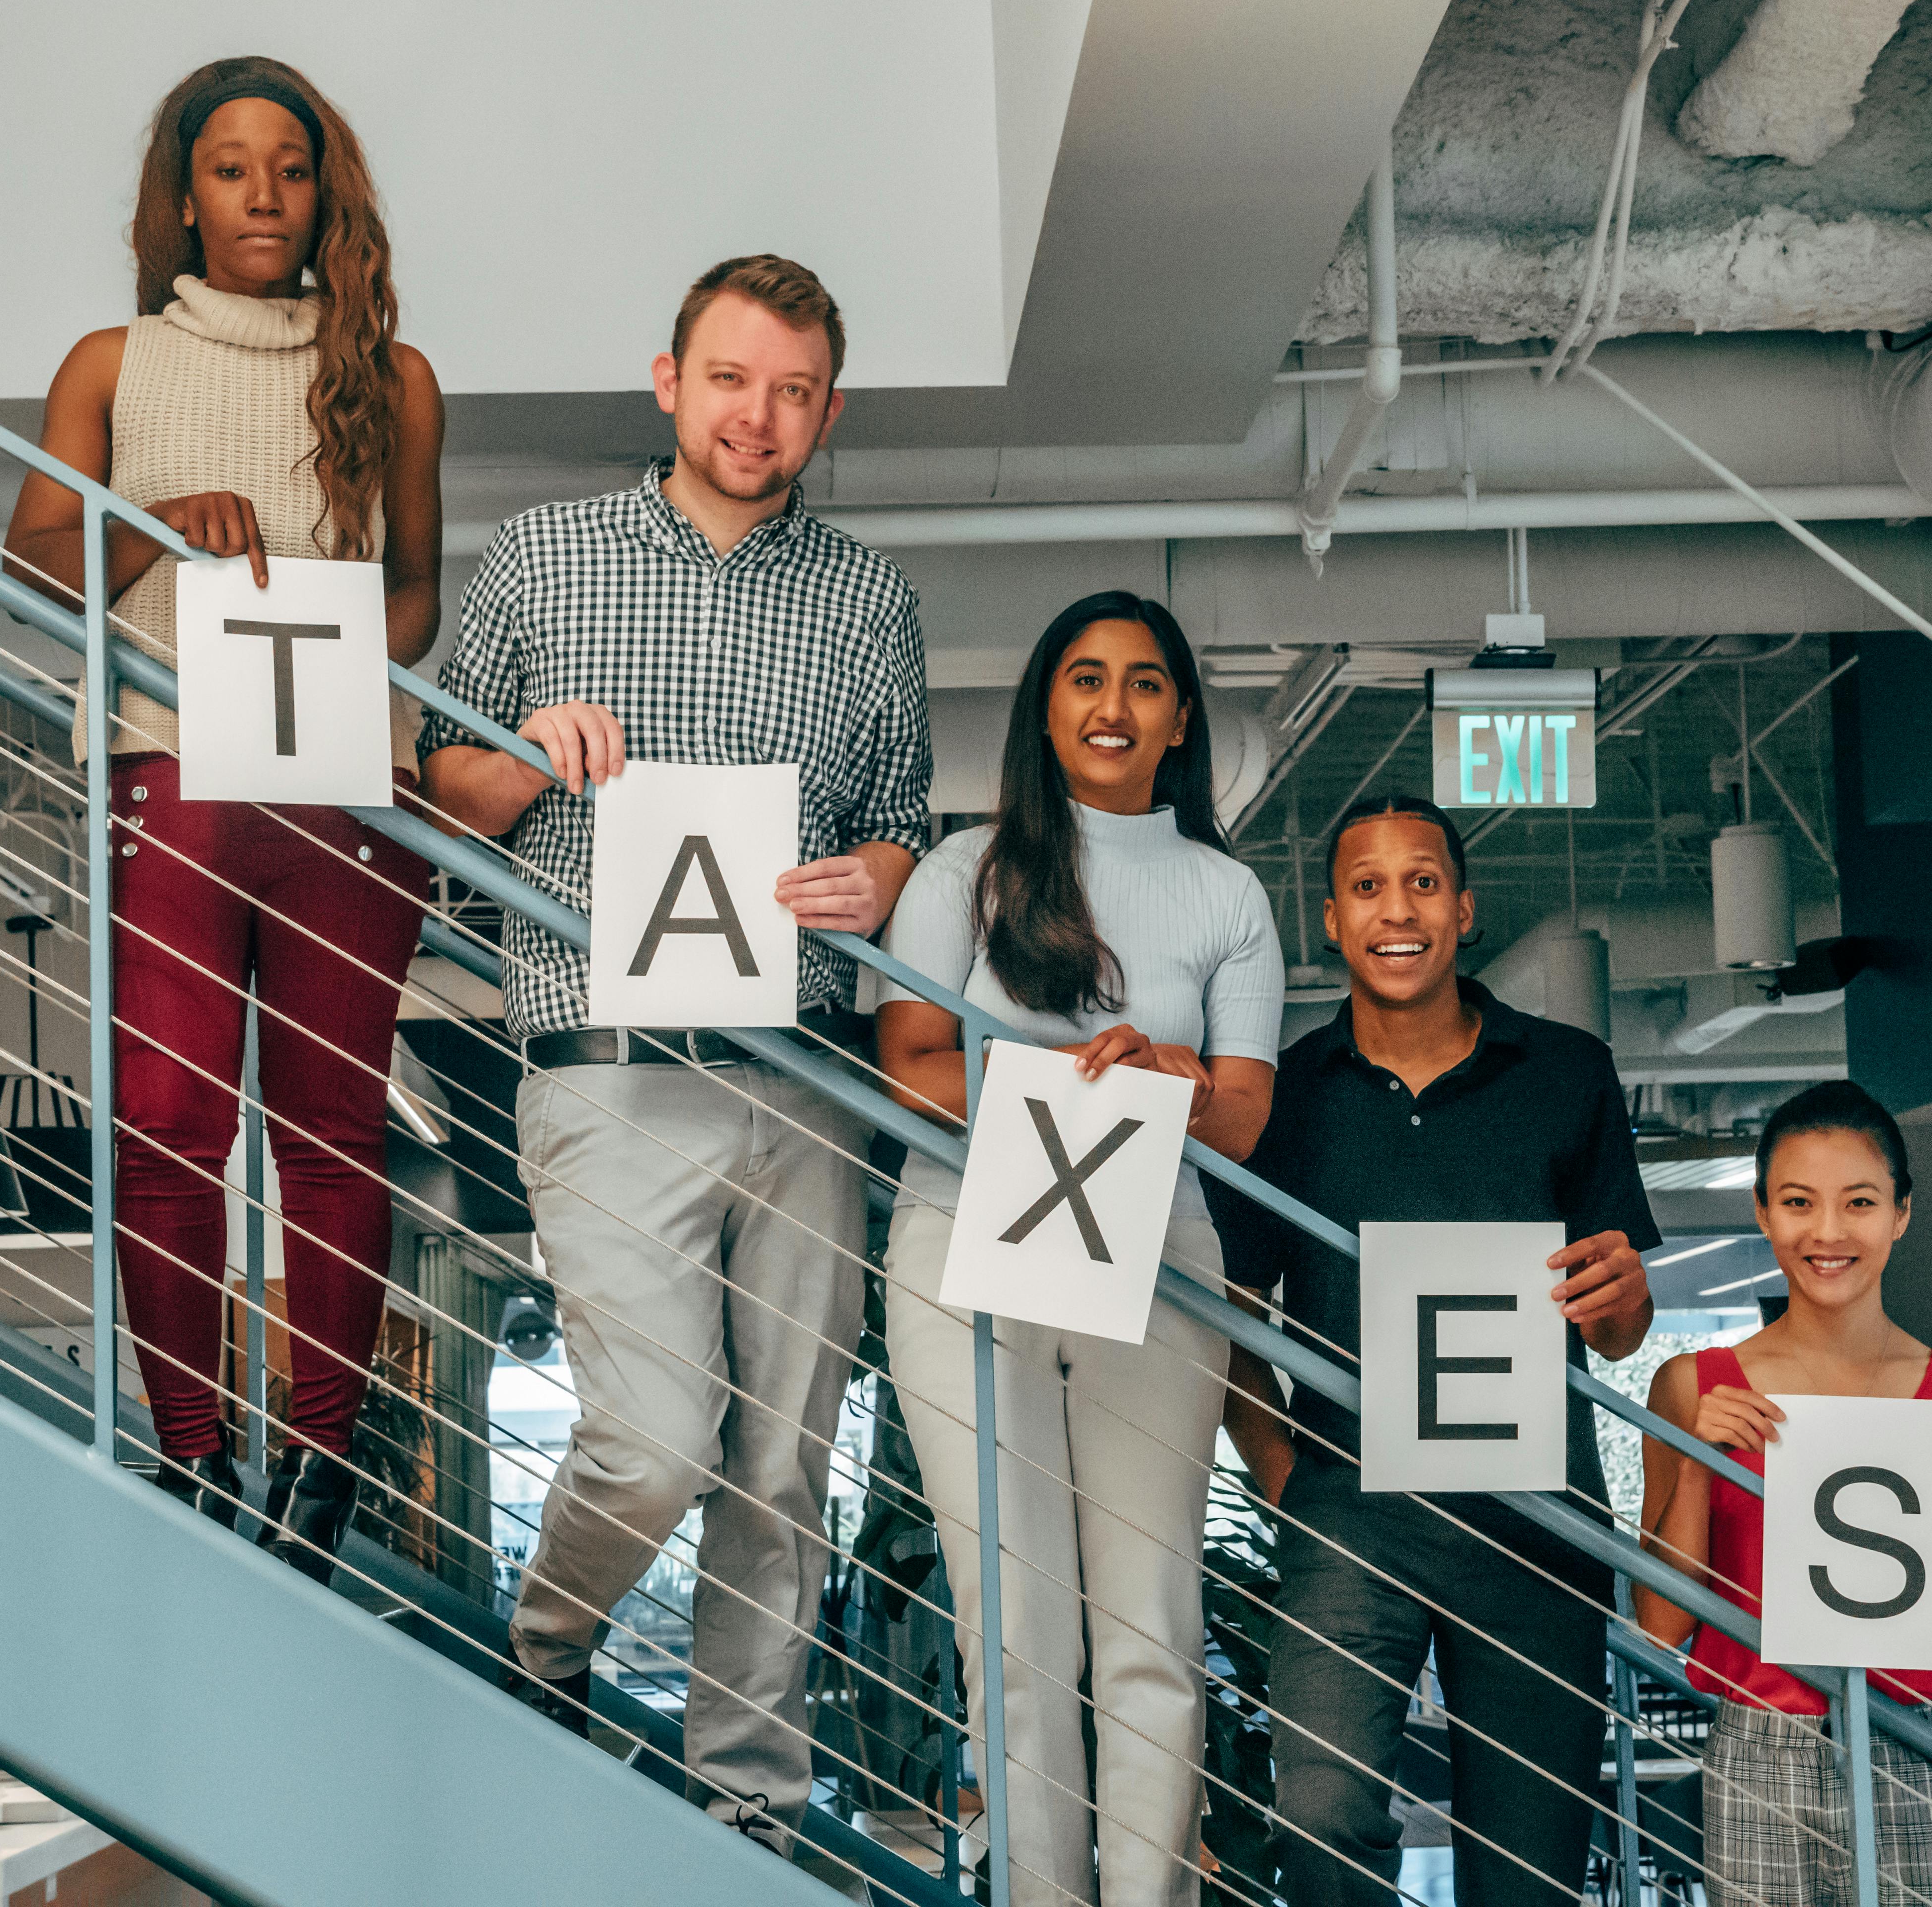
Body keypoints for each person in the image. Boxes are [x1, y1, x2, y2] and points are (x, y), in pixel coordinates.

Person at [419, 254, 929, 1850]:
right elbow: (436, 796)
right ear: (667, 379)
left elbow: (902, 822)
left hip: (803, 1075)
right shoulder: (546, 557)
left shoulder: (870, 598)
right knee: (651, 1438)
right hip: (607, 1060)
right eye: (731, 378)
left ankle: (750, 1812)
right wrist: (521, 758)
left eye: (792, 392)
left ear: (827, 411)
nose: (757, 415)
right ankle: (550, 1646)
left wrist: (888, 877)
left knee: (780, 1465)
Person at [4, 56, 445, 1580]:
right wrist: (150, 532)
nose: (265, 195)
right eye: (232, 169)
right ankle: (195, 1457)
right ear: (183, 196)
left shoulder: (393, 375)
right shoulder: (112, 363)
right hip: (170, 767)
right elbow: (34, 563)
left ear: (329, 193)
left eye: (292, 168)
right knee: (172, 1122)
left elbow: (416, 597)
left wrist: (331, 653)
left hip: (340, 787)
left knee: (330, 1131)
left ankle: (316, 1473)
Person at [878, 591, 1284, 1907]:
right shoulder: (962, 871)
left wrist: (1164, 1070)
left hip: (1156, 1247)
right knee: (1017, 1623)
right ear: (1046, 707)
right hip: (965, 1241)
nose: (1114, 707)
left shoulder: (1226, 891)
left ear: (1181, 720)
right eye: (1087, 679)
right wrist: (1055, 1074)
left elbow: (1243, 1114)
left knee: (1151, 1627)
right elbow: (908, 1074)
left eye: (1147, 684)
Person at [1212, 796, 1658, 1906]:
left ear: (1463, 911)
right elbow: (1225, 1313)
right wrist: (1286, 1481)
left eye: (1422, 883)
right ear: (1330, 920)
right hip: (1349, 1518)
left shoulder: (1568, 1072)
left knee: (1527, 1867)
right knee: (1317, 1815)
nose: (1396, 909)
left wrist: (1624, 1300)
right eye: (1367, 885)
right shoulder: (1286, 1097)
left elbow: (1619, 1326)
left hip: (1536, 1521)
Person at [1633, 1082, 1932, 1907]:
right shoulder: (1693, 1388)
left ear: (1901, 1215)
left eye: (1859, 1203)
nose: (1829, 1232)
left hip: (1927, 1740)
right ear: (1764, 1213)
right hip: (1763, 1741)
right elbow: (1663, 1623)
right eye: (1798, 1202)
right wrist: (1700, 1460)